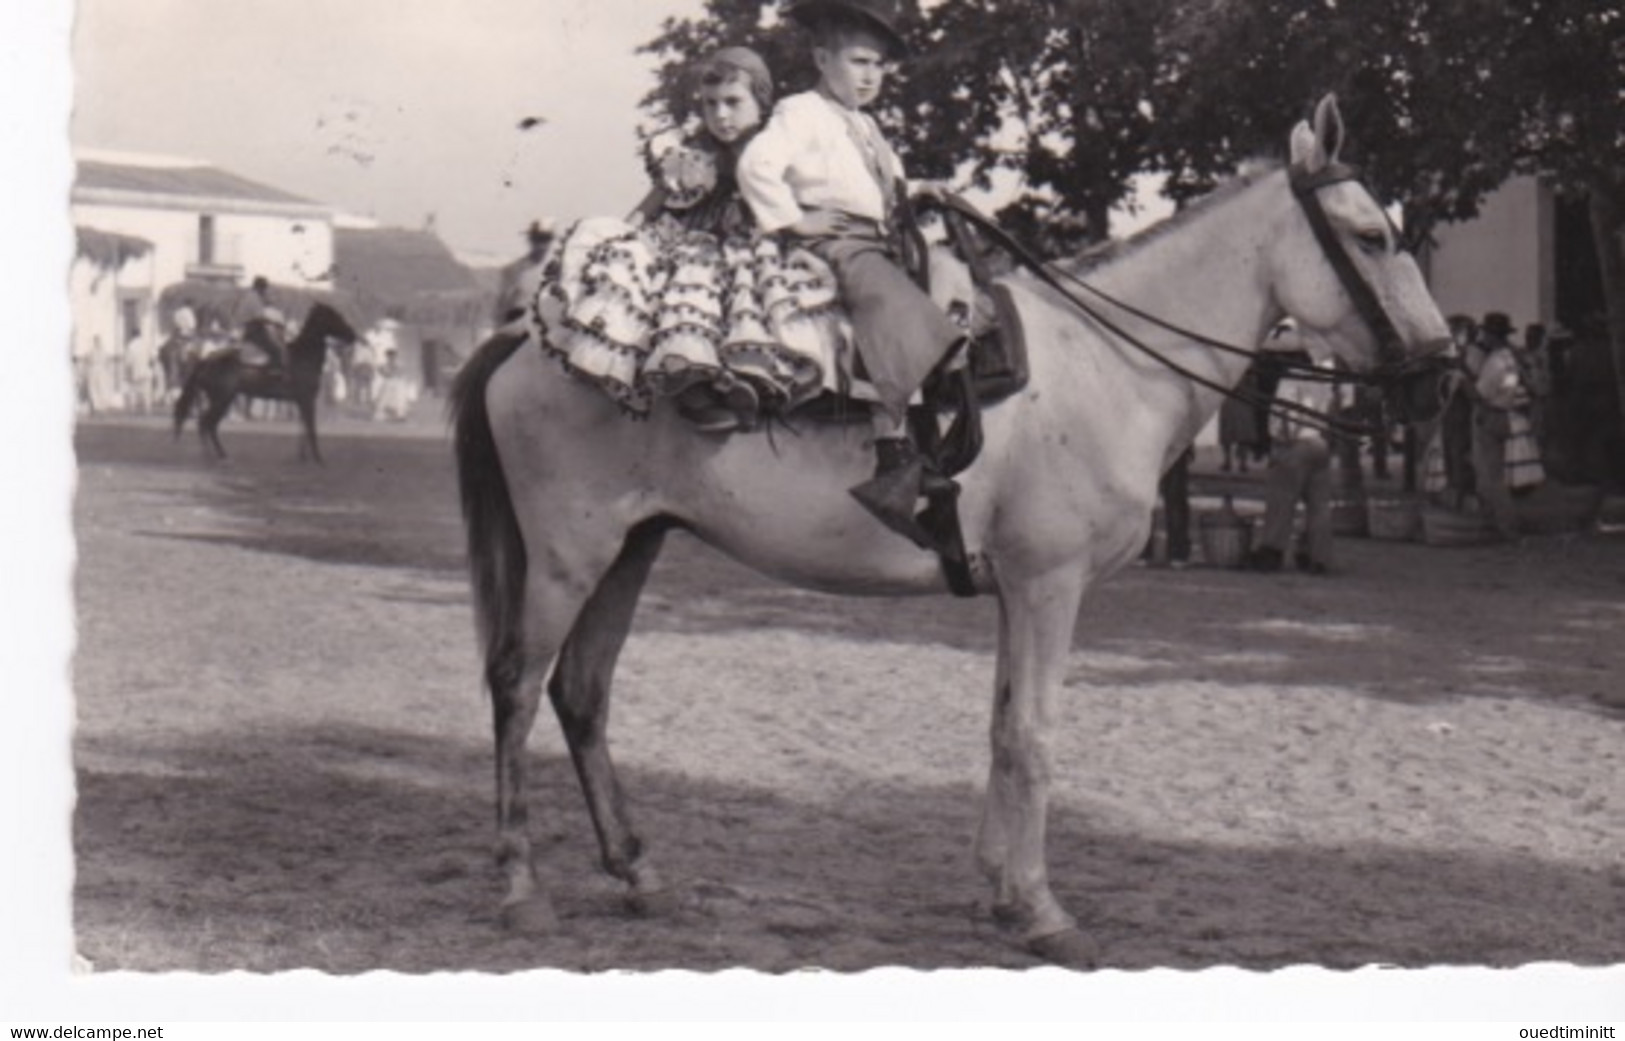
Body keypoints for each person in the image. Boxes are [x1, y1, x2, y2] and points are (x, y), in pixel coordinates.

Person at [736, 0, 966, 541]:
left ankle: (943, 410)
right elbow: (755, 166)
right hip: (835, 241)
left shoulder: (865, 125)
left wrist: (920, 190)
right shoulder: (801, 112)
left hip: (878, 235)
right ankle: (892, 452)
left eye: (878, 66)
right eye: (858, 62)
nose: (870, 76)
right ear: (822, 58)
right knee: (887, 298)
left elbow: (881, 187)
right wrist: (794, 220)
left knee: (953, 274)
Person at [536, 45, 837, 432]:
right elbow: (651, 205)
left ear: (761, 99)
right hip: (699, 243)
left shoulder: (778, 146)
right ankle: (694, 389)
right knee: (686, 294)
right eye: (710, 104)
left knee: (767, 297)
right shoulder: (693, 153)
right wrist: (625, 236)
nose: (721, 115)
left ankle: (759, 380)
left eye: (733, 102)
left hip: (762, 241)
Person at [1245, 335, 1336, 575]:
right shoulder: (1326, 375)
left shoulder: (1291, 378)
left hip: (1295, 443)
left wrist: (1279, 441)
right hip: (1319, 440)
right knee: (1319, 506)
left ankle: (1272, 551)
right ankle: (1319, 557)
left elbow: (1284, 413)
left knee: (1281, 501)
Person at [1465, 312, 1537, 539]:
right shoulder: (1511, 358)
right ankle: (1495, 522)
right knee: (1494, 473)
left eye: (1485, 333)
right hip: (1506, 414)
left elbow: (1479, 394)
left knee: (1490, 475)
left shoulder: (1494, 362)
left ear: (1490, 336)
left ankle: (1505, 526)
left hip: (1490, 416)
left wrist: (1460, 379)